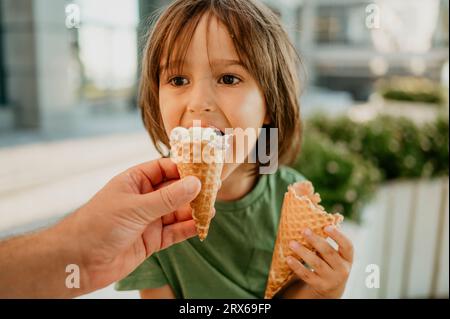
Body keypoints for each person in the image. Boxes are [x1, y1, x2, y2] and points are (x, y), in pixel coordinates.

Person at [115, 0, 354, 299]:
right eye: (178, 79)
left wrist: (325, 291)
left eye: (228, 78)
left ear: (270, 102)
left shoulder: (292, 197)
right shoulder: (149, 210)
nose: (199, 101)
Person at [0, 159, 204, 298]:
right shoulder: (147, 227)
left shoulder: (147, 230)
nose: (199, 103)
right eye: (177, 90)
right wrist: (79, 258)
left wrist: (82, 261)